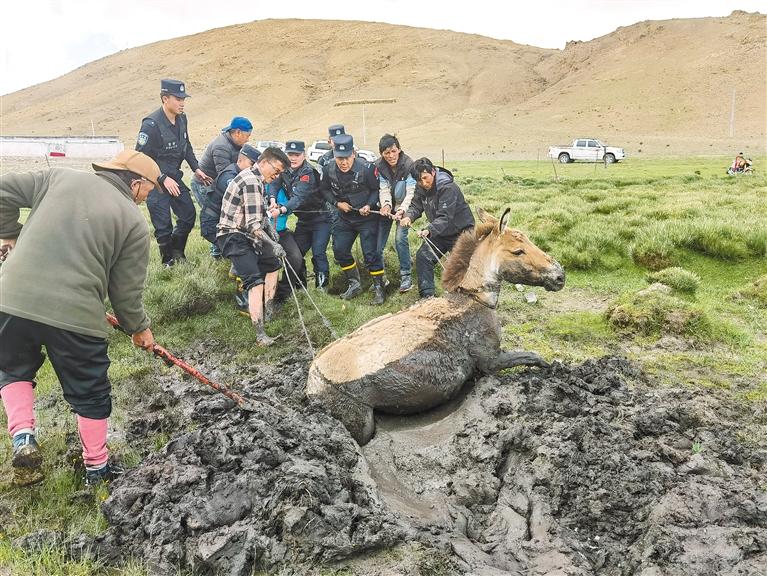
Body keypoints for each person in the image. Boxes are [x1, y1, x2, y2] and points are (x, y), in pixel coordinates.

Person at [0, 150, 159, 487]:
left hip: (10, 300)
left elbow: (2, 190)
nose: (149, 196)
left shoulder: (56, 176)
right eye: (150, 189)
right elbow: (125, 293)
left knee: (12, 367)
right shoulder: (133, 222)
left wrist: (8, 233)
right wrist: (139, 329)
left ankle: (24, 437)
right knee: (91, 392)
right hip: (75, 315)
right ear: (135, 183)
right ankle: (97, 470)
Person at [216, 147, 290, 346]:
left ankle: (269, 310)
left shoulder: (259, 180)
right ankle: (260, 335)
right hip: (233, 235)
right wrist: (273, 244)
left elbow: (260, 214)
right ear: (264, 162)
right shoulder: (250, 181)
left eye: (280, 174)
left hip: (248, 235)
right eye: (276, 171)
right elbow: (253, 225)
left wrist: (271, 231)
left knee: (273, 264)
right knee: (255, 281)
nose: (276, 176)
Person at [136, 78, 211, 266]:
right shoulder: (151, 125)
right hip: (155, 182)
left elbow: (186, 146)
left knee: (188, 214)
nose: (182, 102)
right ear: (165, 99)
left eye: (183, 98)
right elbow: (141, 158)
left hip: (175, 177)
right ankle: (167, 262)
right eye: (178, 99)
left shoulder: (182, 119)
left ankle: (177, 252)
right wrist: (161, 178)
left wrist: (196, 168)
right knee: (163, 225)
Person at [319, 134, 387, 305]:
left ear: (353, 154)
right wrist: (337, 203)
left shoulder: (367, 168)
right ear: (334, 155)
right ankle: (354, 284)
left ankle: (379, 287)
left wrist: (369, 205)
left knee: (370, 253)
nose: (343, 162)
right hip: (345, 217)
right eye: (339, 158)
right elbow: (324, 190)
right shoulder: (328, 169)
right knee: (339, 250)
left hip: (367, 217)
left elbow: (375, 190)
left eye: (347, 158)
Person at [400, 157, 475, 299]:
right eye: (419, 180)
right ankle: (427, 297)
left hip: (461, 232)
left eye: (425, 178)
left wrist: (429, 230)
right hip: (440, 232)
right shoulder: (421, 187)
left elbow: (445, 216)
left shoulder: (447, 187)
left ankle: (468, 295)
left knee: (460, 265)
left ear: (433, 172)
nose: (423, 183)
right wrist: (409, 216)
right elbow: (416, 206)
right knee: (423, 257)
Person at [267, 140, 329, 306]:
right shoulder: (284, 169)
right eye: (290, 154)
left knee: (318, 253)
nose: (293, 158)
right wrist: (272, 199)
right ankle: (300, 287)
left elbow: (298, 198)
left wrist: (281, 210)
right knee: (297, 254)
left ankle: (322, 289)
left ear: (304, 155)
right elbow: (274, 184)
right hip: (303, 220)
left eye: (297, 155)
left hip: (321, 219)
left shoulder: (308, 173)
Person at [192, 116, 253, 257]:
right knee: (217, 215)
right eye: (247, 136)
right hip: (204, 185)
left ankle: (224, 247)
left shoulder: (236, 144)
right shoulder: (221, 147)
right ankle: (217, 251)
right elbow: (225, 175)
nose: (248, 139)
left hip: (218, 184)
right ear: (237, 132)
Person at [375, 134, 416, 293]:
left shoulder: (409, 165)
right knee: (378, 243)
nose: (391, 156)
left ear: (399, 149)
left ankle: (406, 275)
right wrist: (386, 205)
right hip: (387, 207)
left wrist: (402, 210)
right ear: (382, 154)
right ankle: (380, 277)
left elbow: (411, 193)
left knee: (400, 239)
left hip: (404, 205)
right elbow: (383, 188)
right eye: (387, 153)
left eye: (393, 151)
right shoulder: (379, 166)